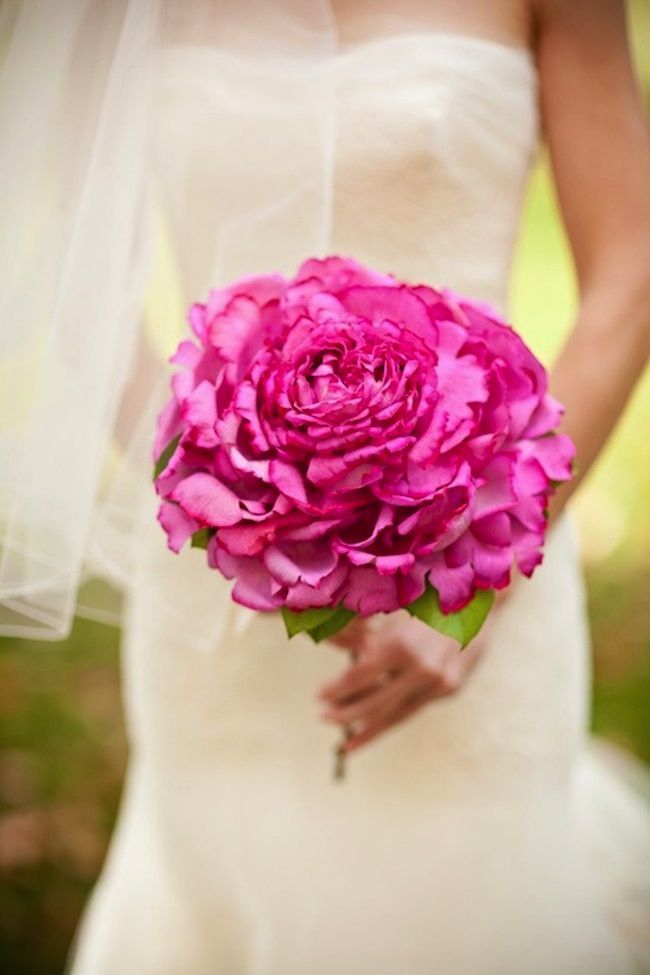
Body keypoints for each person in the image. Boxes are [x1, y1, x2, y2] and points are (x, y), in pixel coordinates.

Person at [1, 2, 648, 973]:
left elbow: (630, 266)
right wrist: (242, 520)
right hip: (222, 602)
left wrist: (482, 572)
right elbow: (77, 282)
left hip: (483, 563)